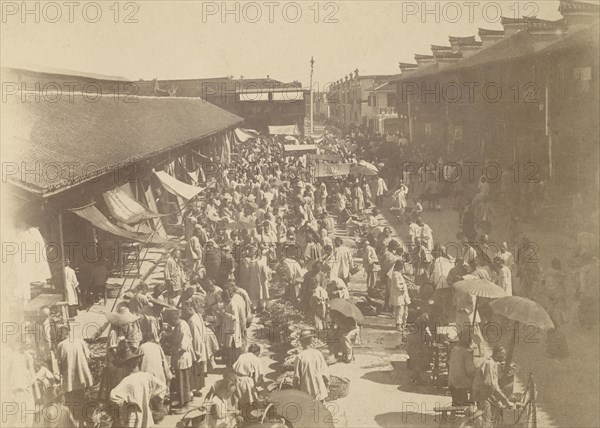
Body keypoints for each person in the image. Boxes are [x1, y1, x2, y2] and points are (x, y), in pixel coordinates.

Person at [110, 347, 167, 428]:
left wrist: (124, 405)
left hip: (132, 414)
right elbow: (162, 386)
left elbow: (113, 396)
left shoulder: (127, 381)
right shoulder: (147, 376)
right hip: (146, 411)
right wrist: (150, 396)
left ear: (127, 366)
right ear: (137, 363)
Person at [56, 325, 94, 423]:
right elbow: (88, 357)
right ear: (69, 332)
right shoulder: (80, 341)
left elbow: (59, 363)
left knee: (71, 402)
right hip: (82, 377)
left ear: (61, 334)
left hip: (69, 378)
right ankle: (84, 421)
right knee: (83, 399)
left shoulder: (61, 345)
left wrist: (61, 376)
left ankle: (74, 421)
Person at [472, 346, 514, 428]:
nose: (504, 357)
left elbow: (493, 380)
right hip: (483, 396)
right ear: (498, 354)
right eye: (503, 355)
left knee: (492, 419)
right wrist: (505, 400)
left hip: (486, 395)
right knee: (487, 422)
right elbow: (491, 384)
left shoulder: (492, 363)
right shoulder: (489, 363)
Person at [165, 308, 194, 411]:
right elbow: (174, 337)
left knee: (183, 383)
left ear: (173, 320)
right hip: (178, 358)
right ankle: (182, 402)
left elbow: (183, 346)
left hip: (182, 358)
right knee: (179, 382)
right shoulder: (178, 325)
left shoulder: (182, 327)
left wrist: (173, 351)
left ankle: (185, 405)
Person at [293, 329, 330, 402]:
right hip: (320, 393)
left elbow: (296, 379)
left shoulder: (300, 357)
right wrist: (327, 387)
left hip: (306, 394)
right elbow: (326, 374)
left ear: (301, 342)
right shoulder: (318, 353)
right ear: (311, 341)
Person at [183, 295, 208, 396]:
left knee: (196, 369)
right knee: (199, 369)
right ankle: (198, 389)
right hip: (201, 346)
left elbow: (195, 337)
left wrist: (195, 351)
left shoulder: (192, 320)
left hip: (197, 348)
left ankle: (195, 389)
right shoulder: (198, 316)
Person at [232, 344, 264, 412]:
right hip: (247, 382)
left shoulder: (242, 356)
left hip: (237, 379)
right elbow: (259, 376)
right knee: (250, 402)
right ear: (257, 352)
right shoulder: (256, 359)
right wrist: (258, 386)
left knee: (240, 401)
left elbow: (234, 367)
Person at [448, 332, 476, 406]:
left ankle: (461, 403)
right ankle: (472, 405)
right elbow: (470, 371)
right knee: (478, 381)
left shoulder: (454, 349)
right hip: (461, 383)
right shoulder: (467, 352)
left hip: (452, 382)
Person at [577, 256, 600, 329]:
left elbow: (582, 281)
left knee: (585, 306)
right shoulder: (595, 268)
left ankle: (585, 323)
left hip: (588, 291)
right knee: (590, 306)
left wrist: (582, 290)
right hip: (593, 291)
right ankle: (589, 323)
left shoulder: (585, 269)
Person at [389, 260, 411, 331]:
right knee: (399, 311)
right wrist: (403, 287)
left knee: (405, 310)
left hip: (402, 295)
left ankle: (403, 324)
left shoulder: (398, 273)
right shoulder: (395, 274)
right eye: (401, 266)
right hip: (398, 295)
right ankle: (398, 325)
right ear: (397, 266)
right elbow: (397, 285)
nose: (402, 267)